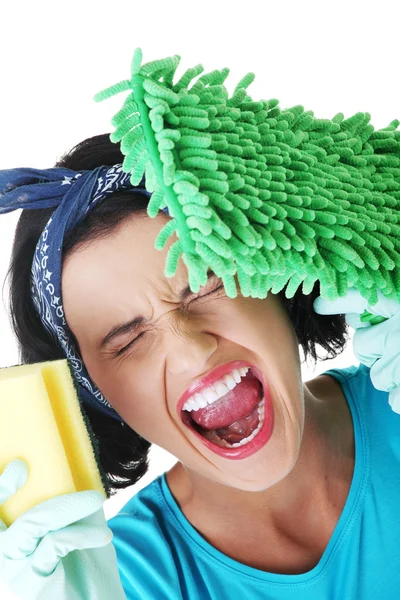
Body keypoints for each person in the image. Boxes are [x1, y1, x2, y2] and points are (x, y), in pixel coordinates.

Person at [5, 133, 399, 599]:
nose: (192, 351)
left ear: (271, 277)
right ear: (94, 396)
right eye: (128, 340)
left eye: (207, 287)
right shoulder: (114, 579)